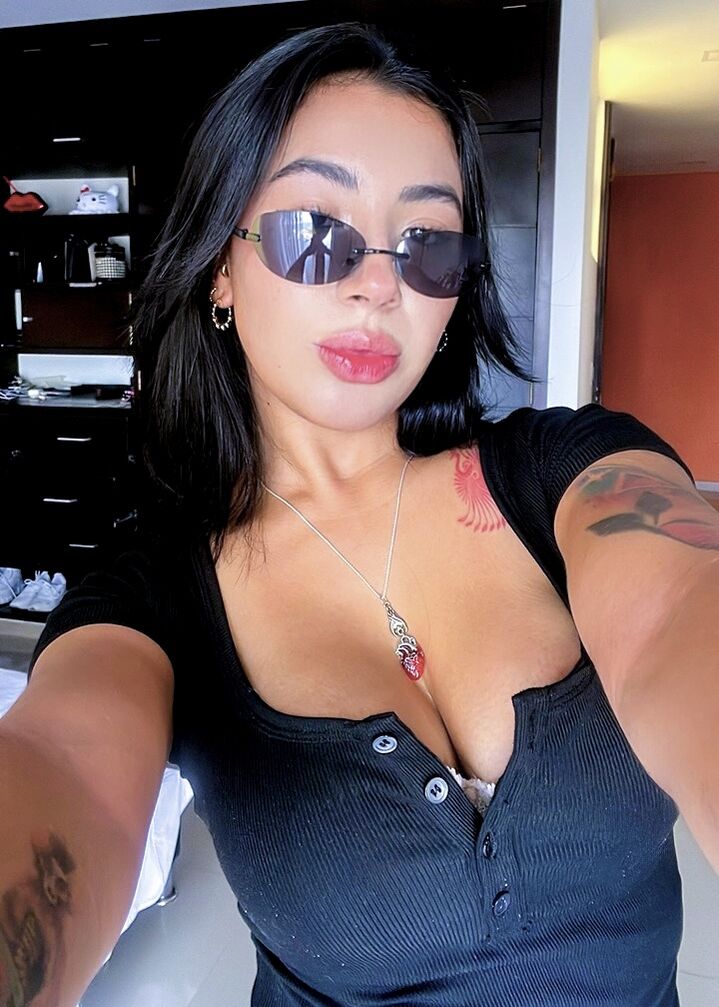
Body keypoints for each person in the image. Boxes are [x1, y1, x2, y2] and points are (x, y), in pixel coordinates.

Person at [1, 20, 717, 1007]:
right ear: (219, 264)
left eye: (426, 243)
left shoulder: (570, 472)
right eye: (313, 229)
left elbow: (681, 610)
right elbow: (64, 766)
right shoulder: (152, 596)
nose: (379, 283)